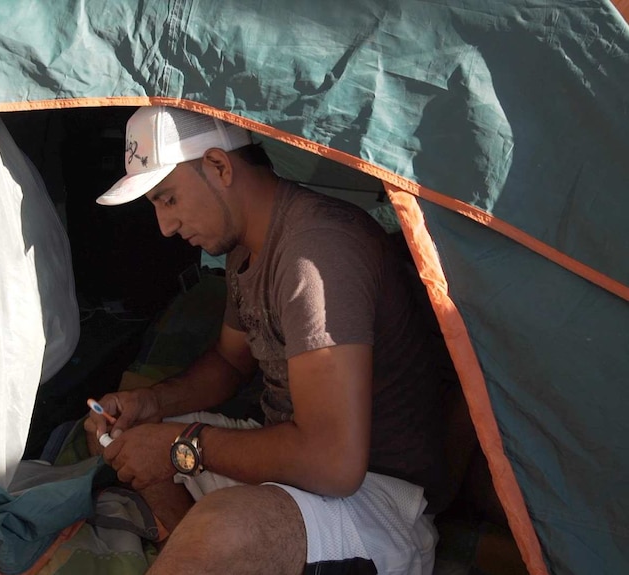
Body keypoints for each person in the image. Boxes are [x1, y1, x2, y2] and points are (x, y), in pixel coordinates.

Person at [85, 105, 449, 575]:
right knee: (126, 437)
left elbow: (334, 464)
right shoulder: (246, 247)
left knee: (226, 526)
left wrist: (181, 444)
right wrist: (148, 405)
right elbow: (230, 363)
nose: (165, 227)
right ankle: (198, 551)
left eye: (168, 199)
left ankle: (212, 549)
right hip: (293, 473)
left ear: (219, 166)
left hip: (377, 501)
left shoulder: (315, 254)